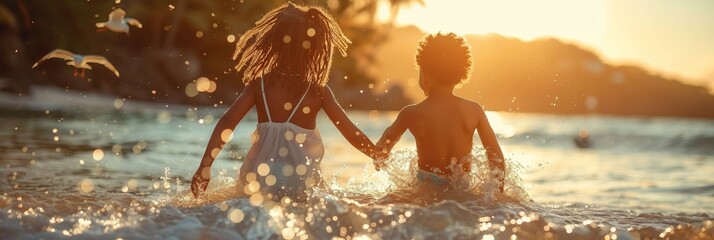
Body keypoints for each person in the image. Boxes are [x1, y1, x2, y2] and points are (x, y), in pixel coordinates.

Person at [191, 3, 382, 201]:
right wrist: (377, 154)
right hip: (299, 179)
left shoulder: (260, 85)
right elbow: (350, 131)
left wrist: (205, 166)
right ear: (315, 49)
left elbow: (227, 123)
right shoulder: (318, 92)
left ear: (272, 43)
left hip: (258, 176)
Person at [374, 33, 506, 192]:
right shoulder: (473, 110)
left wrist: (379, 156)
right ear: (460, 75)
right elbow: (495, 156)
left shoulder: (411, 113)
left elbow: (384, 144)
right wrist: (498, 191)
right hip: (461, 190)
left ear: (425, 76)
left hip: (426, 189)